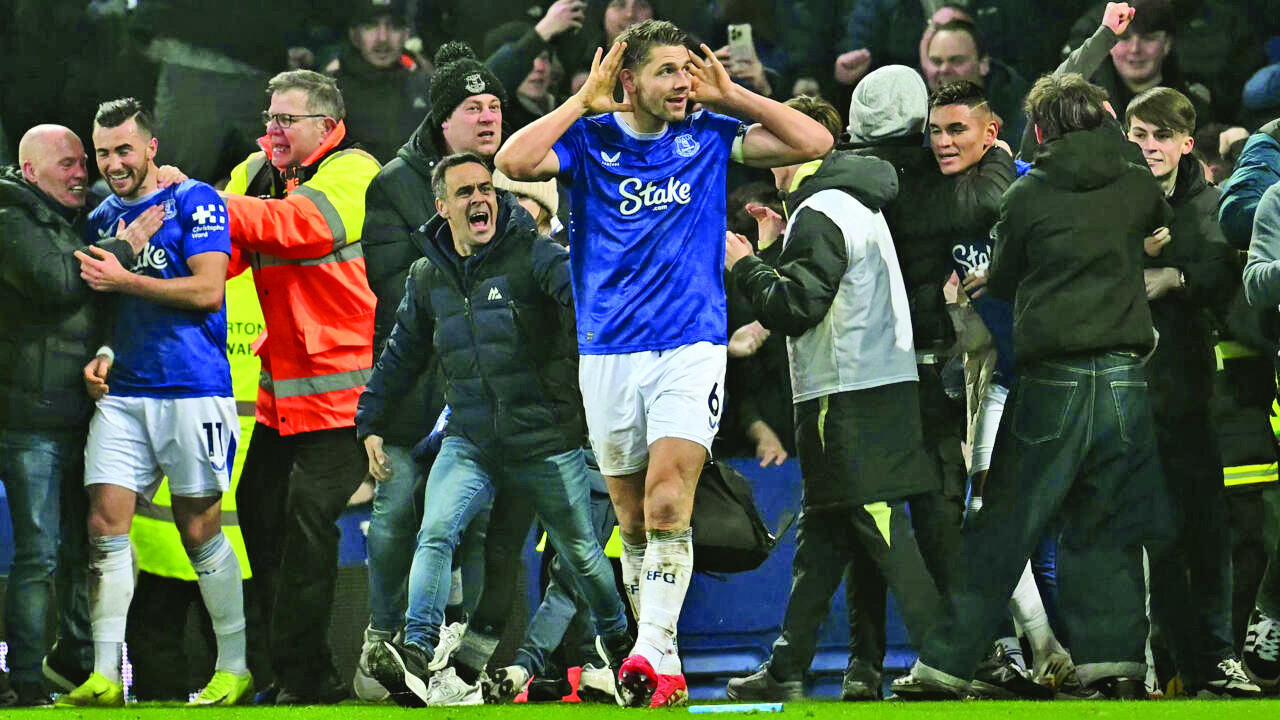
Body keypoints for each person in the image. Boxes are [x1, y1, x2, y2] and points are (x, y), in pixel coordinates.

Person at [495, 18, 832, 707]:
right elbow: (514, 162)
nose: (681, 83)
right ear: (630, 81)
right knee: (631, 519)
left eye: (687, 69)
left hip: (689, 345)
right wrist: (580, 102)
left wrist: (733, 94)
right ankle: (663, 662)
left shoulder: (709, 135)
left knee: (670, 496)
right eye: (666, 72)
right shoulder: (591, 140)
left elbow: (816, 140)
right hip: (609, 352)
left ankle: (647, 649)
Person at [892, 72, 1172, 701]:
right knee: (1109, 525)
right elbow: (1158, 223)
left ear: (1039, 129)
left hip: (1052, 379)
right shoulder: (1134, 181)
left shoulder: (1029, 195)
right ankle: (1117, 668)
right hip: (1127, 377)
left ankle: (944, 667)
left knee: (1001, 525)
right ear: (1101, 119)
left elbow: (1008, 276)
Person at [358, 153, 631, 707]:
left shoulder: (534, 254)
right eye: (465, 192)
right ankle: (416, 654)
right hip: (473, 439)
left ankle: (624, 649)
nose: (480, 198)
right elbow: (401, 355)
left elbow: (585, 307)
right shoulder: (427, 274)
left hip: (545, 439)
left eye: (486, 188)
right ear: (442, 207)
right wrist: (371, 421)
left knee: (581, 554)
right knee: (436, 529)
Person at [722, 94, 944, 703]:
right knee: (820, 539)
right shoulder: (849, 201)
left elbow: (796, 308)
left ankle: (947, 658)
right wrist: (772, 251)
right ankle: (788, 663)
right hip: (864, 388)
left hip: (846, 398)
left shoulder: (821, 209)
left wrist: (745, 265)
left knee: (879, 529)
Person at [55, 98, 250, 708]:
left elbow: (208, 289)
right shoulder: (102, 219)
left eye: (123, 150)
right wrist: (106, 351)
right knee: (103, 525)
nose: (113, 163)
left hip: (194, 389)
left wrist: (125, 277)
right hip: (125, 394)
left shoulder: (195, 201)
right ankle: (107, 675)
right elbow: (111, 307)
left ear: (151, 149)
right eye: (103, 152)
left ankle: (235, 666)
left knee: (200, 531)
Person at [353, 41, 507, 701]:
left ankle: (452, 654)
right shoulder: (394, 183)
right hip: (415, 386)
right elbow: (394, 291)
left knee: (469, 520)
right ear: (443, 122)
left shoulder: (506, 176)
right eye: (473, 107)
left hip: (483, 385)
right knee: (394, 516)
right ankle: (383, 638)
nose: (489, 117)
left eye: (496, 105)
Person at [221, 70, 380, 705]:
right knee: (260, 521)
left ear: (326, 125)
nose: (273, 129)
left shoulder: (356, 169)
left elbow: (300, 227)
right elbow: (222, 250)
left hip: (346, 398)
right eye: (270, 116)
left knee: (307, 521)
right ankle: (285, 672)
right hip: (283, 396)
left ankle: (307, 679)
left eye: (287, 119)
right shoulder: (255, 173)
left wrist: (201, 203)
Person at [0, 125, 151, 707]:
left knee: (79, 550)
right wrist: (125, 247)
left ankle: (77, 666)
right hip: (28, 419)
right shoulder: (10, 219)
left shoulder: (80, 218)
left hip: (79, 413)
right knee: (37, 553)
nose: (80, 172)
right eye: (66, 164)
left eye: (82, 161)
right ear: (31, 172)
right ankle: (28, 681)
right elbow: (60, 282)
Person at [1124, 86, 1256, 697]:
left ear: (1185, 143)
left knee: (1201, 532)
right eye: (1139, 135)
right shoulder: (1113, 200)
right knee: (1156, 537)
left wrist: (1175, 273)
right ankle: (1173, 659)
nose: (1149, 147)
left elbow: (1226, 271)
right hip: (1126, 395)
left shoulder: (1208, 204)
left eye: (1160, 137)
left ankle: (1210, 658)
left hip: (1189, 394)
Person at [325, 0, 429, 164]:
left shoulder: (426, 88)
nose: (382, 38)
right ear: (354, 35)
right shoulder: (331, 92)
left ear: (406, 34)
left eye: (393, 27)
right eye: (370, 26)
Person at [922, 19, 1028, 146]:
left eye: (956, 61)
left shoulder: (1022, 110)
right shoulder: (916, 115)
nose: (944, 70)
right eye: (936, 61)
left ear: (983, 64)